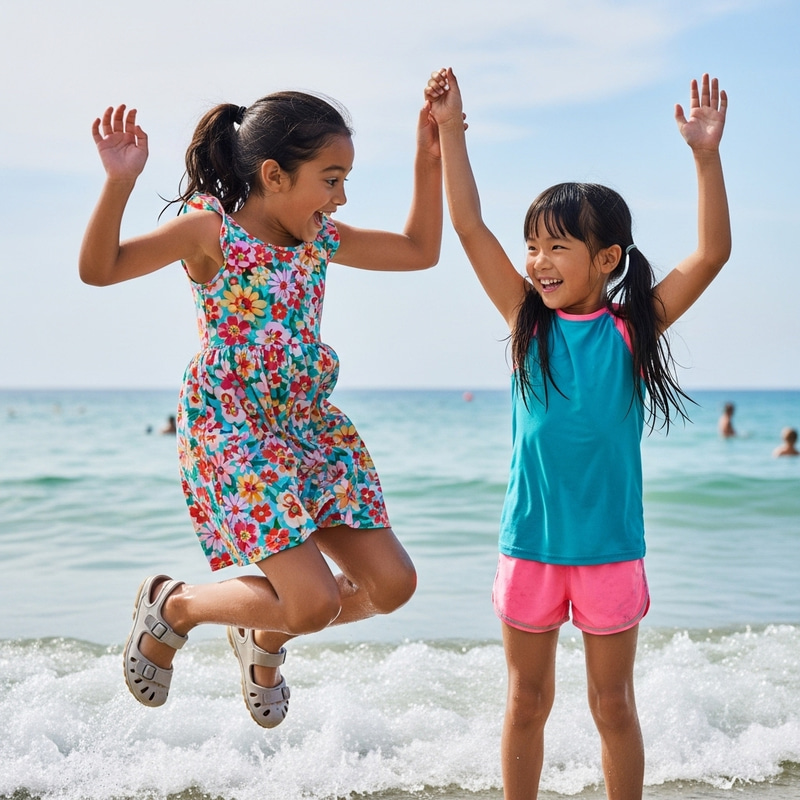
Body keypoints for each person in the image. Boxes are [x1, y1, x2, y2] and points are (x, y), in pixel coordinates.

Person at [79, 86, 444, 727]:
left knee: (392, 587)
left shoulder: (320, 240)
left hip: (308, 428)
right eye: (331, 180)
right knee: (313, 603)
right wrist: (119, 183)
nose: (341, 197)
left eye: (345, 180)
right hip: (234, 430)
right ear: (274, 175)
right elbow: (99, 269)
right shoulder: (208, 231)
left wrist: (429, 152)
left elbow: (420, 249)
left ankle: (261, 637)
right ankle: (176, 606)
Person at [425, 69, 729, 800]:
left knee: (613, 707)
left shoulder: (632, 330)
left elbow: (711, 254)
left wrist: (705, 156)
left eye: (557, 247)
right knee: (526, 704)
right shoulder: (526, 324)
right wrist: (450, 132)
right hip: (530, 543)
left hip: (609, 550)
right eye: (533, 246)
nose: (538, 261)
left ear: (607, 260)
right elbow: (469, 226)